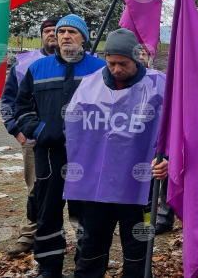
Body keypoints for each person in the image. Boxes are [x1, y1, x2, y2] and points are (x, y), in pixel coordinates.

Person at [68, 29, 166, 278]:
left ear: (136, 58)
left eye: (123, 63)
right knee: (92, 241)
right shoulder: (90, 85)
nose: (116, 69)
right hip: (96, 182)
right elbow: (74, 129)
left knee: (137, 244)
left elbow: (175, 130)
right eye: (111, 63)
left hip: (139, 183)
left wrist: (167, 158)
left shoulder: (159, 85)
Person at [14, 15, 107, 278]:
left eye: (72, 32)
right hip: (49, 153)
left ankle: (86, 264)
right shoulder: (38, 68)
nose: (65, 35)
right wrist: (39, 130)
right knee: (48, 211)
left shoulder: (101, 69)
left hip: (88, 156)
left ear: (84, 38)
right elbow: (22, 107)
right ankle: (49, 267)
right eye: (61, 31)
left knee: (88, 212)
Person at [0, 16, 59, 255]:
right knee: (36, 188)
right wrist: (16, 130)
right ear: (41, 35)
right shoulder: (24, 64)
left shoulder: (84, 62)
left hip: (74, 142)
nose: (53, 34)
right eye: (47, 31)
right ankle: (29, 234)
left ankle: (83, 232)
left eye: (57, 30)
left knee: (77, 188)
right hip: (34, 140)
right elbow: (9, 101)